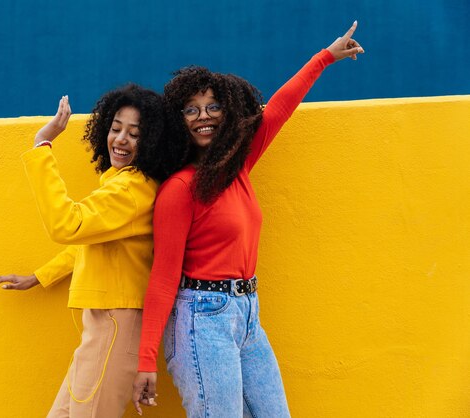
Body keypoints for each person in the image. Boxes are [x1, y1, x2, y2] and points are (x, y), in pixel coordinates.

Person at [132, 22, 365, 417]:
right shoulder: (179, 189)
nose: (202, 116)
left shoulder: (236, 166)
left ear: (228, 111)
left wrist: (325, 57)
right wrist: (146, 359)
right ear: (177, 121)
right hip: (201, 319)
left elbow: (277, 109)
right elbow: (163, 276)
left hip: (247, 313)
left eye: (212, 106)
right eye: (190, 109)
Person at [0, 84, 168, 418]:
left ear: (153, 140)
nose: (120, 140)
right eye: (115, 129)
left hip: (115, 325)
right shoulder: (123, 185)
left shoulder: (130, 190)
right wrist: (40, 277)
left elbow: (67, 225)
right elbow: (92, 242)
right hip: (104, 325)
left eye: (134, 134)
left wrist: (43, 144)